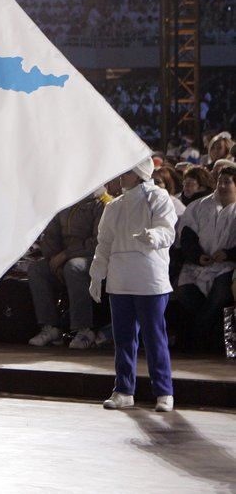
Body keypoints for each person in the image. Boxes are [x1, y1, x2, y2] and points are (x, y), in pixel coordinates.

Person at [89, 158, 177, 412]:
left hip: (150, 279)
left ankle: (163, 391)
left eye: (126, 171)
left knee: (154, 336)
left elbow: (168, 230)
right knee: (124, 338)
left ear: (138, 173)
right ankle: (124, 390)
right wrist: (97, 273)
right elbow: (104, 243)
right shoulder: (114, 206)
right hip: (120, 280)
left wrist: (154, 236)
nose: (121, 176)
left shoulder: (158, 198)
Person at [27, 193, 106, 349]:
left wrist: (65, 255)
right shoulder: (64, 203)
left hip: (92, 258)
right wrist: (52, 259)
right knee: (37, 269)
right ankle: (51, 327)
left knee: (74, 267)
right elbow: (51, 236)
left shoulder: (101, 204)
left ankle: (84, 329)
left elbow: (98, 242)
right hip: (63, 259)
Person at [172, 165, 236, 351]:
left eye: (227, 182)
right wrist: (198, 256)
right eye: (220, 181)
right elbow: (187, 236)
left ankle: (196, 339)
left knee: (219, 296)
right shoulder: (200, 206)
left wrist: (228, 254)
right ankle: (211, 339)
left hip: (227, 267)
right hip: (198, 266)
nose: (222, 186)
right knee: (185, 294)